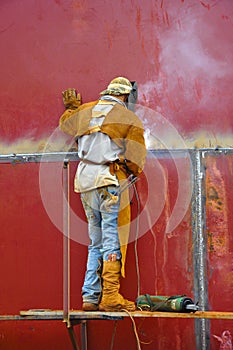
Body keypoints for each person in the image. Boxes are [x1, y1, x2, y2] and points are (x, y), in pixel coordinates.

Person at [59, 77, 146, 311]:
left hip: (85, 181)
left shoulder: (86, 110)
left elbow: (67, 125)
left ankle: (89, 295)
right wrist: (129, 169)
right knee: (111, 239)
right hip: (107, 180)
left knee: (94, 241)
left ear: (107, 92)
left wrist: (71, 108)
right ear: (125, 96)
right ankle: (109, 296)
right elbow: (136, 158)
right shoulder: (129, 118)